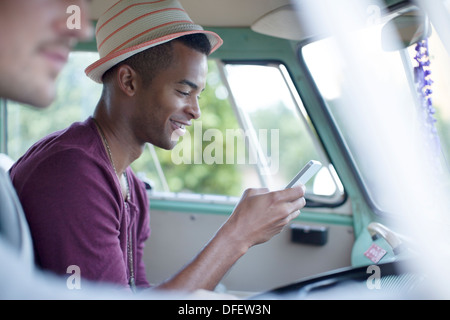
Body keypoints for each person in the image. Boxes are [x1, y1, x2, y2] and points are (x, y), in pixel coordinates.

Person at [9, 0, 306, 294]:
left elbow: (138, 291)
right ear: (128, 81)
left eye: (198, 95)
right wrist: (238, 235)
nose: (195, 110)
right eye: (183, 91)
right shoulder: (73, 172)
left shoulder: (132, 186)